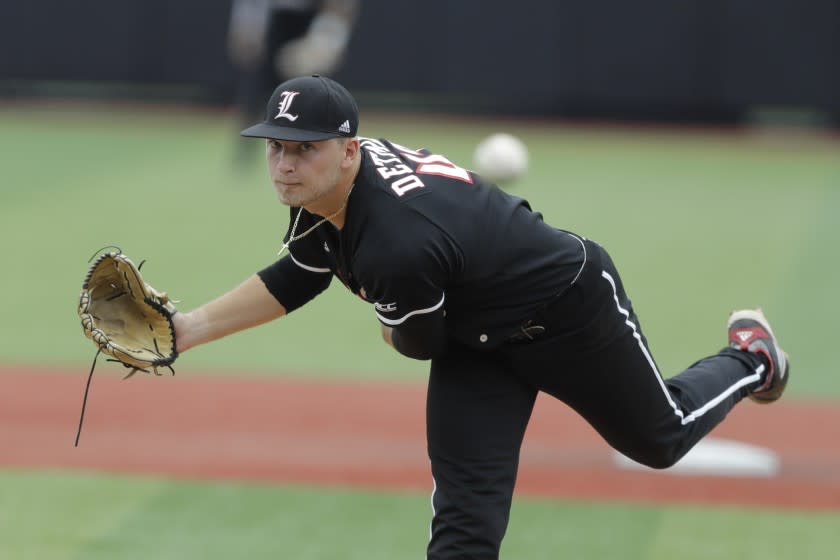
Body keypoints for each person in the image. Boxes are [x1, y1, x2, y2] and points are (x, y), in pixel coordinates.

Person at [172, 75, 790, 559]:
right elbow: (302, 273)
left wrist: (390, 318)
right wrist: (187, 330)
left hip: (569, 312)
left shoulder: (398, 244)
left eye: (304, 150)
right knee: (466, 530)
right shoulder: (326, 192)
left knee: (662, 437)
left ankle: (751, 356)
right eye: (276, 148)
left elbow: (416, 341)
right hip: (476, 341)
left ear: (349, 151)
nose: (283, 165)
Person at [226, 0, 359, 167]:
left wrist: (327, 40)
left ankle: (322, 149)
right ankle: (245, 151)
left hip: (309, 23)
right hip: (274, 21)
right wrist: (246, 26)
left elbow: (339, 7)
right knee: (256, 91)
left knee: (314, 96)